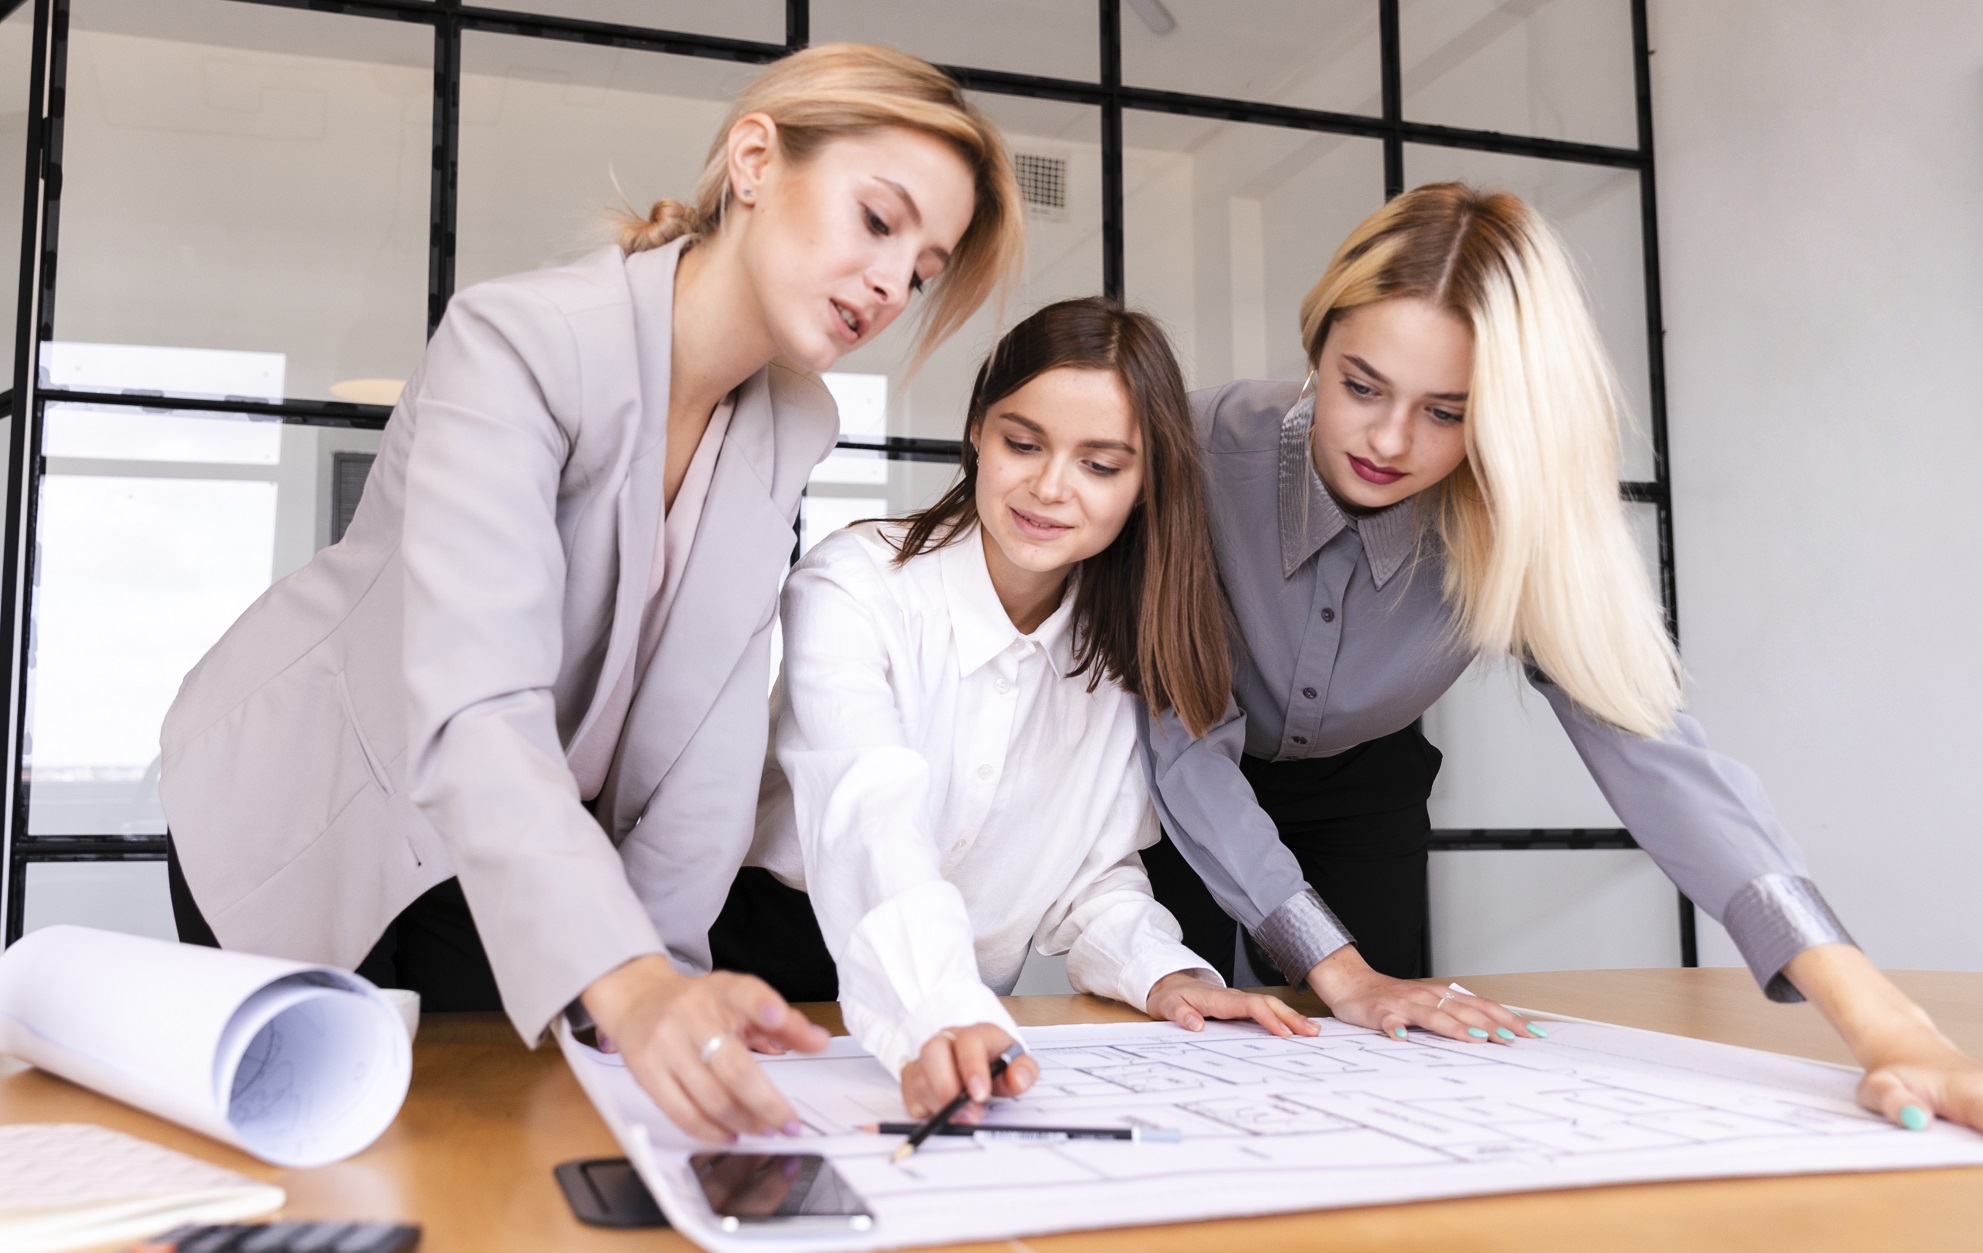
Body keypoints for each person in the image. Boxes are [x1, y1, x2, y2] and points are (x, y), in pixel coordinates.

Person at [156, 43, 1025, 1143]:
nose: (892, 284)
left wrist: (670, 976)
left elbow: (709, 738)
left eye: (923, 268)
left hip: (505, 841)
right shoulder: (519, 340)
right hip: (313, 801)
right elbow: (477, 703)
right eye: (878, 220)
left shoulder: (793, 421)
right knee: (325, 1150)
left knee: (516, 1143)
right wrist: (632, 980)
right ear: (755, 160)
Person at [1142, 183, 1983, 1130]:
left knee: (1376, 1065)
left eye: (1446, 412)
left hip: (1364, 784)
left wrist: (1886, 1024)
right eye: (1361, 385)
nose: (1388, 439)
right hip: (1177, 777)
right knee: (1185, 1035)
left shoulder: (1518, 517)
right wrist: (1339, 971)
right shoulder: (1191, 452)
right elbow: (1182, 742)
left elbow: (1655, 756)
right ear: (1316, 344)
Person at [718, 298, 1315, 1120]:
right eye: (1023, 443)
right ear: (976, 431)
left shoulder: (1122, 650)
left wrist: (1164, 972)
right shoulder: (852, 584)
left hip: (961, 1017)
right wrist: (942, 1011)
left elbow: (1092, 877)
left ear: (1146, 484)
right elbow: (867, 819)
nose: (1049, 487)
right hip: (767, 985)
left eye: (1099, 465)